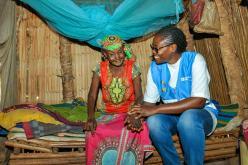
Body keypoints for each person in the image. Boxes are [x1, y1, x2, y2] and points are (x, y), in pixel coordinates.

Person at [129, 27, 218, 165]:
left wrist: (156, 109)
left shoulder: (195, 60)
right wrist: (135, 114)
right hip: (173, 117)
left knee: (188, 119)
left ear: (172, 47)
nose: (153, 52)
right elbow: (149, 103)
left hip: (200, 115)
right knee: (154, 122)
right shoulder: (155, 68)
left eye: (156, 48)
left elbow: (198, 101)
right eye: (152, 47)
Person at [85, 35, 153, 165]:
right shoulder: (99, 69)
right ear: (105, 55)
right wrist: (90, 117)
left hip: (129, 112)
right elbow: (92, 95)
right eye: (112, 54)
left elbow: (140, 96)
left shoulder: (132, 68)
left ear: (124, 51)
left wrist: (134, 114)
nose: (118, 57)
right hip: (108, 113)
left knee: (137, 128)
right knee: (92, 132)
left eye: (120, 52)